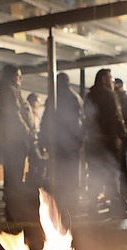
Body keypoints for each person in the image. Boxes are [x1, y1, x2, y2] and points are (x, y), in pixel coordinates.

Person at [83, 68, 127, 219]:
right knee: (111, 176)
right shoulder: (109, 95)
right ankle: (116, 210)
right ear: (104, 79)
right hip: (108, 142)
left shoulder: (90, 96)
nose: (112, 82)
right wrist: (126, 138)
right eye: (110, 78)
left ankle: (92, 208)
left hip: (92, 143)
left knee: (94, 176)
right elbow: (117, 118)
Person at [39, 72, 85, 213]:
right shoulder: (74, 97)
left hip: (57, 143)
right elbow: (80, 121)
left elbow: (46, 121)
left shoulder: (53, 97)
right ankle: (72, 203)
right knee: (72, 173)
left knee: (59, 172)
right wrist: (79, 141)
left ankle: (60, 202)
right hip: (71, 144)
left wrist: (44, 140)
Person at [0, 64, 35, 221]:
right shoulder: (9, 92)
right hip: (15, 141)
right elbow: (15, 115)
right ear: (11, 76)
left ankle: (13, 206)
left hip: (14, 140)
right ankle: (14, 208)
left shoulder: (11, 91)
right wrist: (28, 132)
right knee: (14, 174)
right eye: (18, 75)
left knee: (14, 174)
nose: (20, 78)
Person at [113, 77, 127, 214]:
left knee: (115, 171)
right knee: (121, 170)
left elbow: (119, 120)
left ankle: (117, 201)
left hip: (114, 139)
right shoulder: (126, 99)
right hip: (120, 139)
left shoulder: (113, 98)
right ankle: (122, 200)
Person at [25, 92, 46, 187]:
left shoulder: (35, 114)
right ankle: (33, 184)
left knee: (35, 163)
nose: (39, 104)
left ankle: (34, 184)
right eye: (38, 102)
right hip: (32, 141)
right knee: (38, 161)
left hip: (37, 141)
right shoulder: (28, 112)